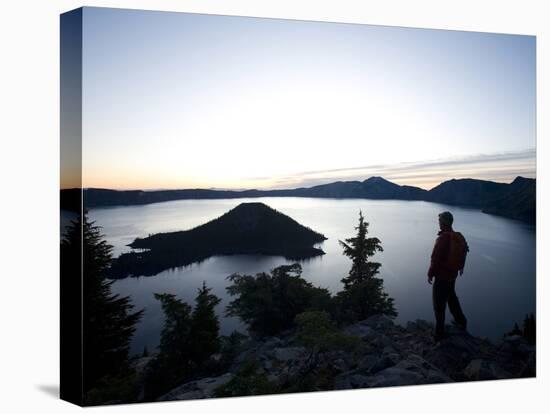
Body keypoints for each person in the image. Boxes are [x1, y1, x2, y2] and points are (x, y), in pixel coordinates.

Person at [427, 211, 469, 341]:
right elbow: (465, 250)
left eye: (440, 221)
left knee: (439, 305)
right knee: (451, 298)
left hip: (442, 276)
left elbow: (436, 258)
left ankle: (439, 334)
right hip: (452, 274)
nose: (438, 223)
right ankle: (461, 321)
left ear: (444, 222)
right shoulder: (457, 236)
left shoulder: (444, 238)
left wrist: (430, 273)